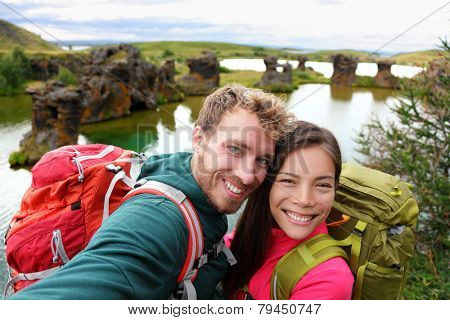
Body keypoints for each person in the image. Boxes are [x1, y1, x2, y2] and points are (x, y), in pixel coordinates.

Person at [9, 84, 293, 299]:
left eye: (262, 160)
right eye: (234, 149)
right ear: (199, 138)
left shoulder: (184, 172)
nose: (246, 176)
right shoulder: (157, 220)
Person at [223, 120, 354, 300]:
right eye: (288, 181)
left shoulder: (329, 279)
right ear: (267, 185)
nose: (304, 200)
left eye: (323, 185)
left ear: (334, 189)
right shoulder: (250, 234)